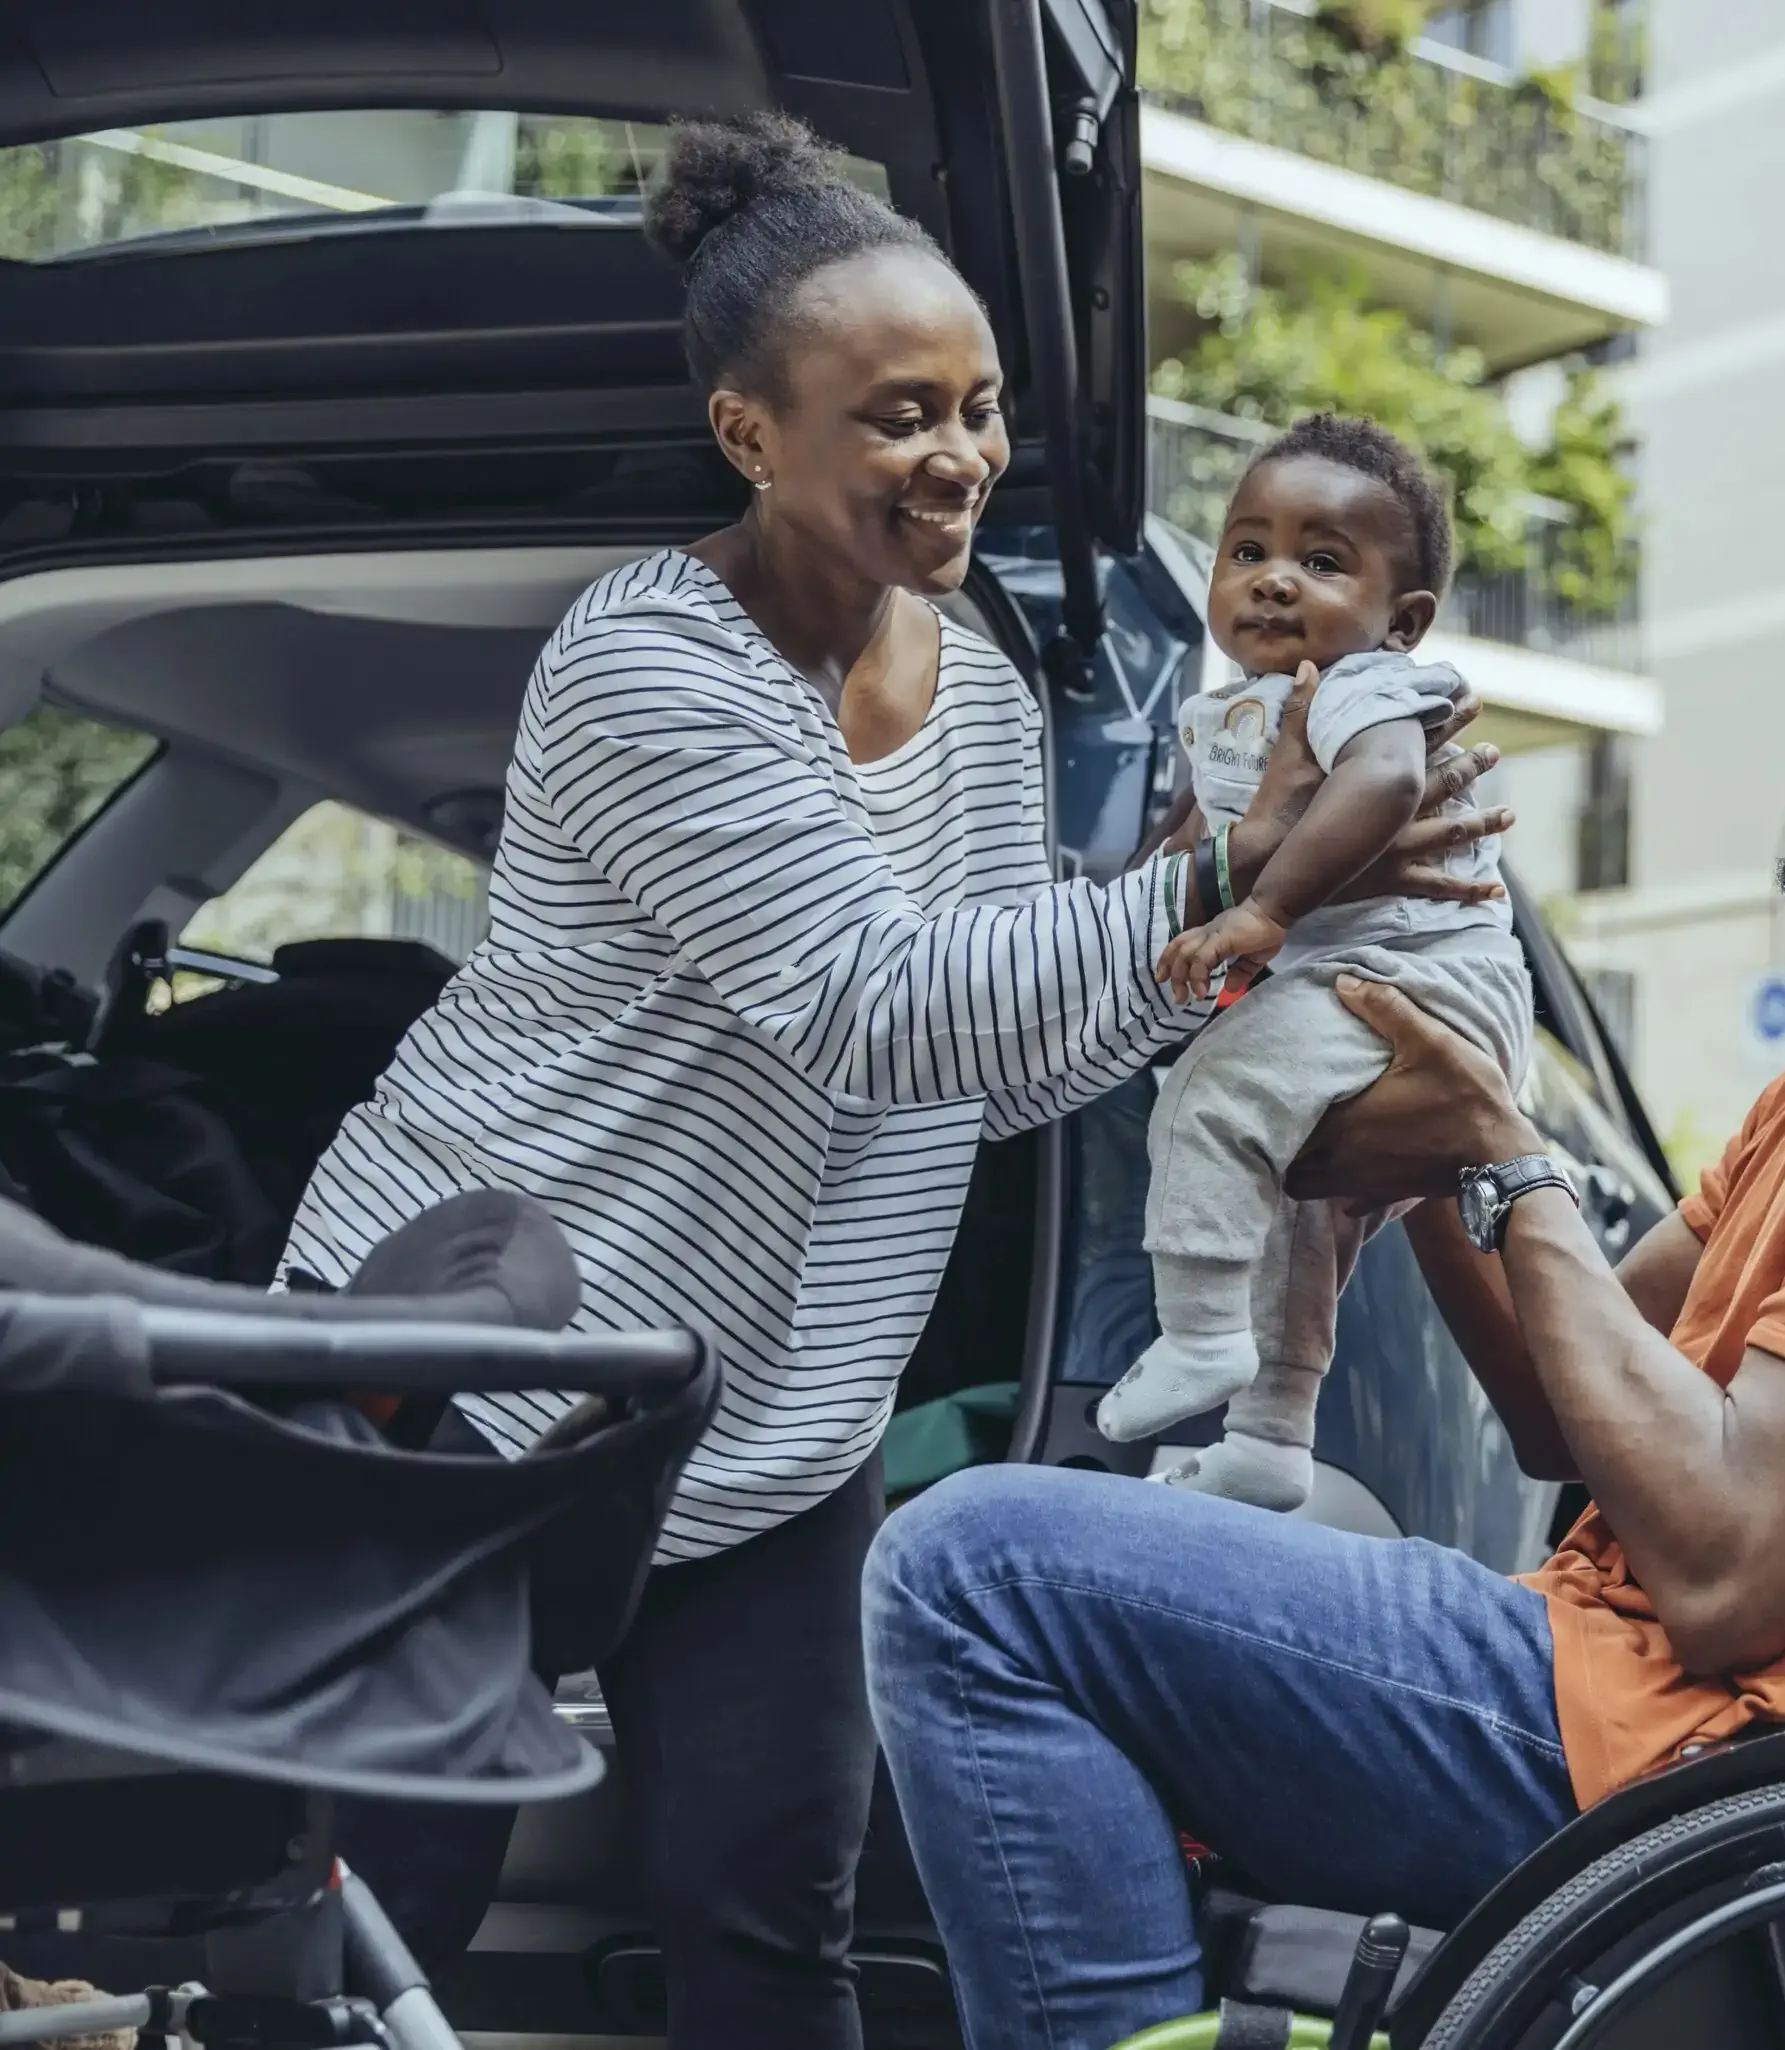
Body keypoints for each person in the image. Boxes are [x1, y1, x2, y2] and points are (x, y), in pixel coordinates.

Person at [278, 114, 1507, 2050]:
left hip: (773, 1403)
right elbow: (874, 1000)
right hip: (491, 1361)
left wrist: (1250, 931)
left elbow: (1008, 1047)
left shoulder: (991, 690)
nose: (960, 457)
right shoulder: (645, 666)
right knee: (376, 1920)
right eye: (898, 415)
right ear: (749, 431)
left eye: (981, 407)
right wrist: (1218, 875)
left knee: (774, 1914)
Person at [863, 539, 1785, 2050]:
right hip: (1619, 1690)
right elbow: (1555, 1410)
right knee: (1245, 1517)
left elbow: (1723, 1572)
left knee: (971, 1571)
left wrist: (1504, 1154)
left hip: (1705, 1762)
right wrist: (1447, 1124)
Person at [1096, 414, 1532, 1509]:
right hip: (1356, 989)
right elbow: (1179, 858)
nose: (1274, 581)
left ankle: (1197, 1336)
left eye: (1321, 561)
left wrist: (1267, 911)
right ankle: (1270, 1435)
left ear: (1404, 620)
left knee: (1210, 1090)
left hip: (1420, 984)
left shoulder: (1364, 687)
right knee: (1296, 1214)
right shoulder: (1227, 714)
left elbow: (1383, 786)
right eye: (1248, 552)